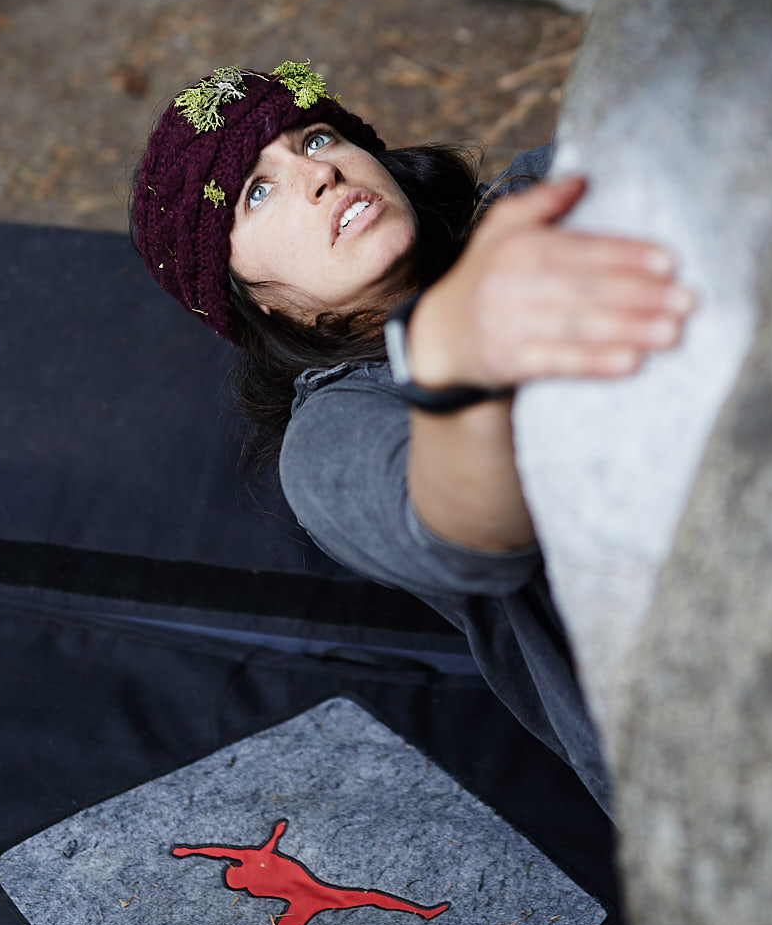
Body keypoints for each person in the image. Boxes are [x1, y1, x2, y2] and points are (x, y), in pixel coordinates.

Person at [130, 62, 695, 811]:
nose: (319, 173)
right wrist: (460, 371)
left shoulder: (525, 206)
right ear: (250, 301)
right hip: (694, 721)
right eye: (256, 193)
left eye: (318, 137)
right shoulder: (332, 438)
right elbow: (468, 534)